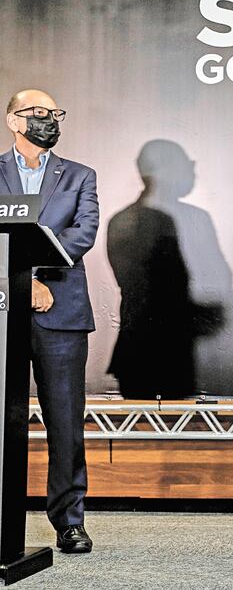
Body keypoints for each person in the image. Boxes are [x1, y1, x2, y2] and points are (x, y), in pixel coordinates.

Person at [2, 89, 99, 553]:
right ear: (13, 121)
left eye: (54, 112)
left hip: (59, 311)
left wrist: (36, 278)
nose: (48, 119)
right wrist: (17, 284)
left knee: (65, 421)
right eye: (37, 113)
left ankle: (69, 521)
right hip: (4, 310)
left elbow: (83, 231)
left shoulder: (79, 175)